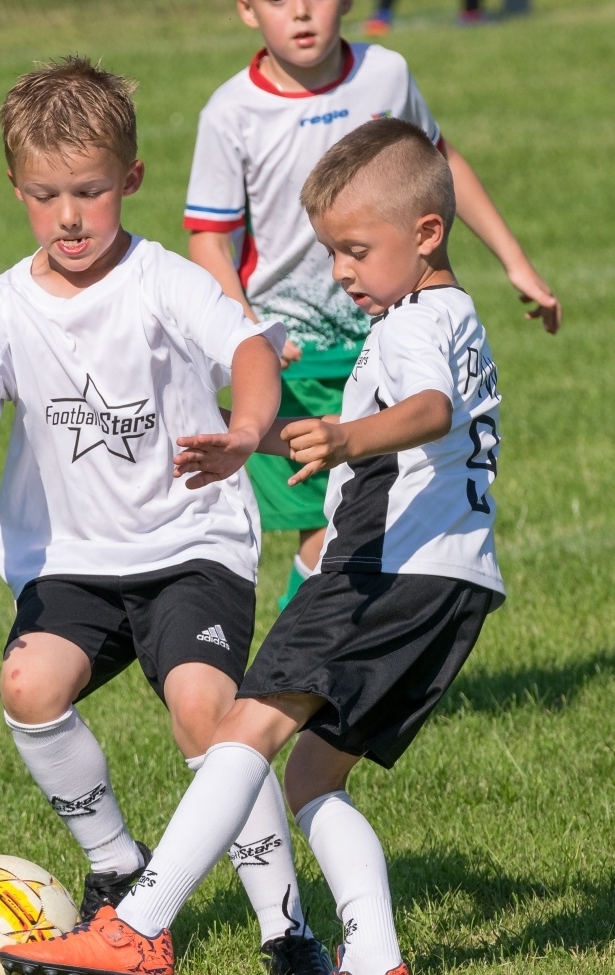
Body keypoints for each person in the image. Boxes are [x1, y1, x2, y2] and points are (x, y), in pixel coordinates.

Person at [0, 118, 504, 975]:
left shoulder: (418, 320)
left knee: (244, 727)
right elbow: (415, 417)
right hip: (456, 579)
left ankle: (138, 926)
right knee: (312, 775)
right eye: (330, 252)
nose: (340, 273)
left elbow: (428, 411)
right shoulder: (450, 315)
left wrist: (348, 435)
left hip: (381, 568)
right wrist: (254, 440)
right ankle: (376, 967)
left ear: (427, 234)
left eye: (354, 251)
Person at [0, 57, 334, 975]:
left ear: (131, 181)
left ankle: (283, 927)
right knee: (28, 683)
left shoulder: (163, 281)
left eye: (91, 191)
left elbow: (248, 350)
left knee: (204, 711)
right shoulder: (0, 300)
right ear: (18, 188)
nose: (69, 215)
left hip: (190, 544)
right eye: (45, 193)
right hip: (68, 558)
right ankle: (115, 860)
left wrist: (245, 428)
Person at [183, 0, 554, 611]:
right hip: (292, 356)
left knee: (362, 518)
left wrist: (514, 260)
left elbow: (440, 163)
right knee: (326, 525)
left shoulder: (385, 74)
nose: (301, 12)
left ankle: (308, 661)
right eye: (278, 0)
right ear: (247, 10)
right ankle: (307, 660)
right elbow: (208, 236)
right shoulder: (231, 112)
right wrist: (249, 329)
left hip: (386, 336)